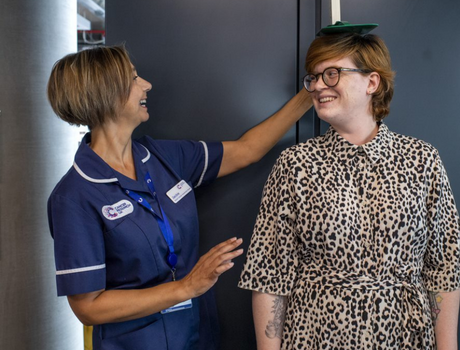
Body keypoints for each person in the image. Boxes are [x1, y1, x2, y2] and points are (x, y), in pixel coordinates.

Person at [46, 45, 312, 350]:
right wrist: (185, 287)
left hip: (197, 335)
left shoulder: (161, 157)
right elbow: (88, 308)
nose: (146, 84)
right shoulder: (73, 196)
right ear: (105, 93)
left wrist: (310, 91)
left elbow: (247, 150)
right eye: (134, 79)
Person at [238, 32, 460, 350]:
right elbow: (269, 276)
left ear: (371, 82)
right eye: (314, 77)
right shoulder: (295, 164)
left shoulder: (422, 160)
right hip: (316, 337)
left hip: (403, 338)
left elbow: (443, 269)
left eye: (332, 73)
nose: (318, 85)